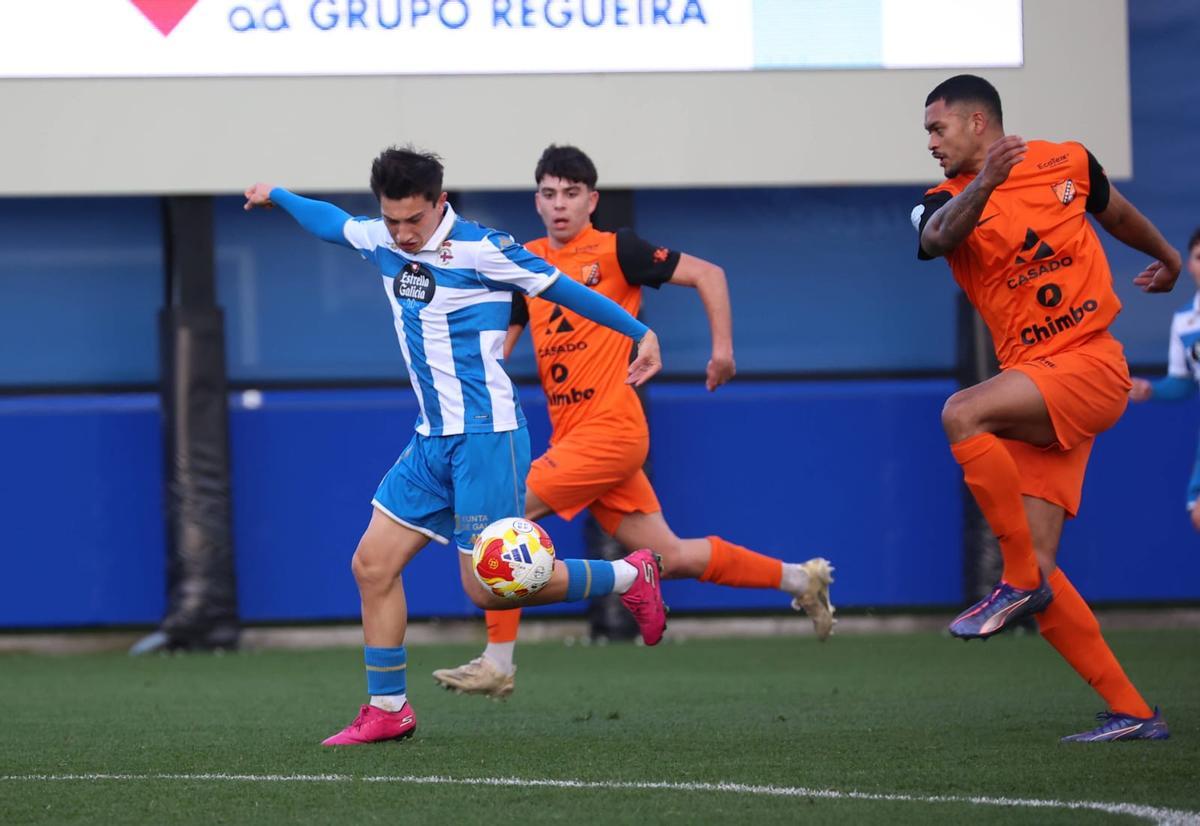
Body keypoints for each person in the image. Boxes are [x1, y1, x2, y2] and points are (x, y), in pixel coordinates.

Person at [243, 146, 671, 746]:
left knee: (487, 585)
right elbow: (331, 223)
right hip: (431, 440)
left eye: (413, 220)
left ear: (439, 203)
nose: (402, 233)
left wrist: (641, 332)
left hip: (486, 438)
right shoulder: (384, 240)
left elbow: (565, 291)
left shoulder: (482, 248)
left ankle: (630, 576)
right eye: (391, 220)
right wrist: (278, 195)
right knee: (372, 565)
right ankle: (388, 708)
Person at [432, 145, 835, 700]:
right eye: (549, 194)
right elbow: (500, 346)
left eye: (572, 194)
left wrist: (722, 352)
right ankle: (800, 578)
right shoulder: (526, 261)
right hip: (576, 440)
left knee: (501, 518)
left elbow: (709, 275)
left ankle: (498, 661)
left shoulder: (618, 249)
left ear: (592, 200)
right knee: (671, 555)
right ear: (537, 200)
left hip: (615, 432)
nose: (560, 205)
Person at [914, 75, 1178, 741]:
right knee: (1045, 568)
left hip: (1091, 364)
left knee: (961, 413)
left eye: (937, 129)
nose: (931, 143)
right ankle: (1135, 713)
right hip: (1039, 383)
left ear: (979, 123)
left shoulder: (1067, 160)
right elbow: (940, 237)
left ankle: (1015, 583)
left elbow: (1114, 211)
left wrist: (1167, 255)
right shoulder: (939, 201)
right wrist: (987, 184)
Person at [1129, 228, 1200, 531]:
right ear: (1190, 263)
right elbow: (1183, 381)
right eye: (1199, 257)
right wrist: (1151, 390)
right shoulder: (1185, 321)